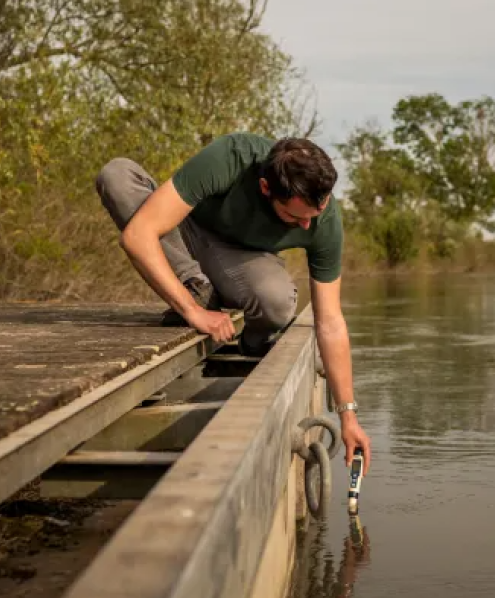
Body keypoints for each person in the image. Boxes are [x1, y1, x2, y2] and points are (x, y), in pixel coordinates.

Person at [96, 132, 371, 471]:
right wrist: (193, 311)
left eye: (316, 213)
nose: (307, 224)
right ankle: (195, 289)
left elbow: (329, 321)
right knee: (117, 175)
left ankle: (250, 344)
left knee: (277, 303)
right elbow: (138, 235)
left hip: (243, 262)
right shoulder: (233, 157)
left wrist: (348, 416)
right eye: (295, 217)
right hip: (184, 235)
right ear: (266, 188)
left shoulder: (322, 219)